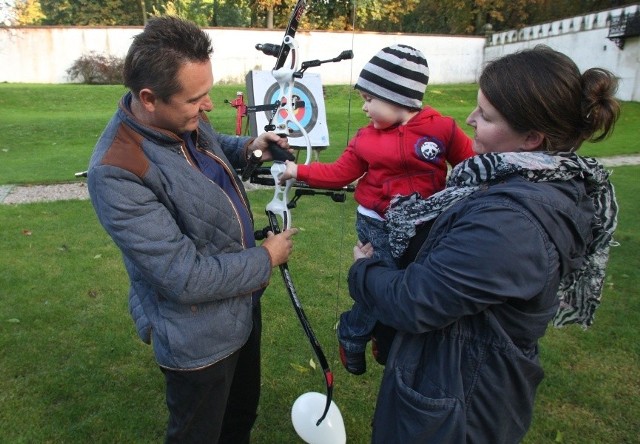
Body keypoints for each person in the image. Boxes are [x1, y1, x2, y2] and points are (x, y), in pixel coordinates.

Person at [348, 45, 620, 443]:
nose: (471, 119)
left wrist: (363, 270)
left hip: (460, 406)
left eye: (487, 116)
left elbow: (416, 301)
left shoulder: (512, 223)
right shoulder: (510, 182)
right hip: (455, 384)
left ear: (532, 138)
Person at [87, 16, 297, 444]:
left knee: (238, 420)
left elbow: (208, 149)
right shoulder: (116, 171)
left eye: (208, 92)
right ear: (149, 98)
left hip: (239, 307)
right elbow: (184, 276)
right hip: (195, 338)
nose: (208, 107)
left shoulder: (181, 117)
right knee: (199, 433)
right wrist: (266, 258)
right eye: (195, 99)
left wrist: (250, 147)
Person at [279, 44, 474, 375]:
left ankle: (386, 339)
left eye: (370, 99)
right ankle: (352, 333)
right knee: (378, 280)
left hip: (424, 224)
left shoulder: (442, 129)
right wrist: (298, 171)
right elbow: (340, 173)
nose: (365, 107)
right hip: (377, 224)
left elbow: (472, 165)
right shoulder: (365, 138)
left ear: (399, 97)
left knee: (411, 286)